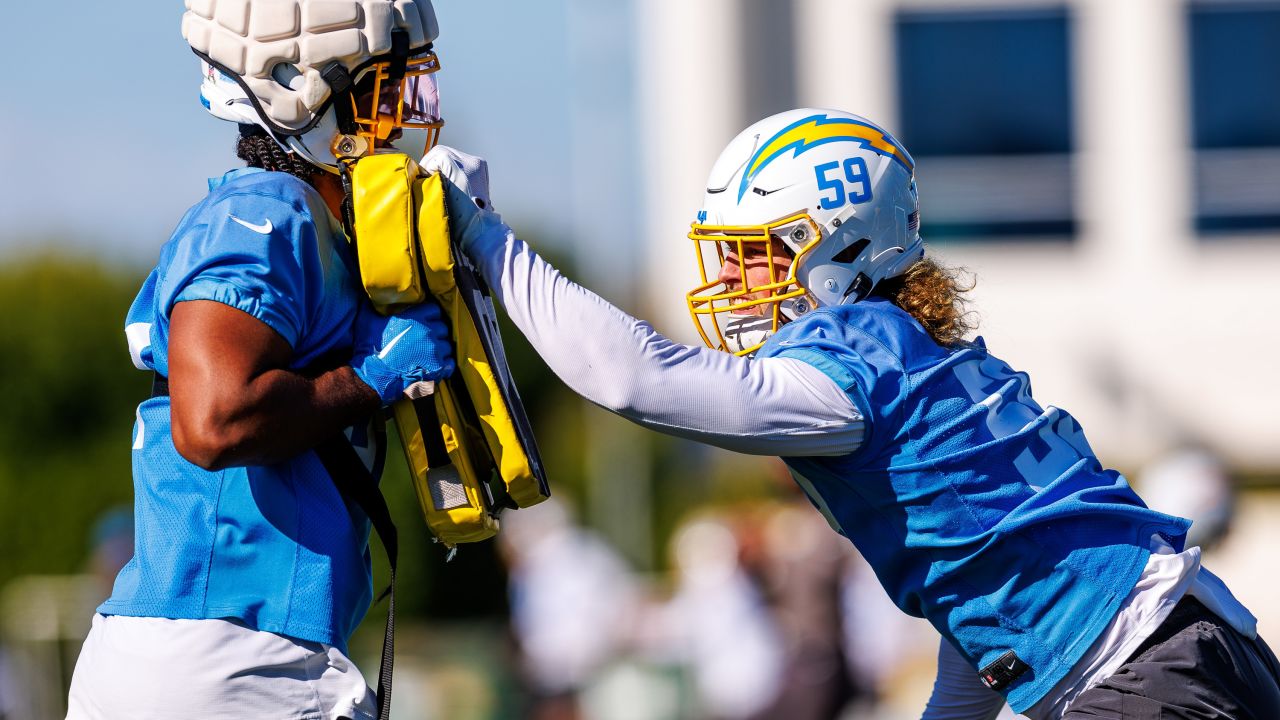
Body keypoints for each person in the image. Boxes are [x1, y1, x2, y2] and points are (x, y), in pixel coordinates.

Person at [418, 108, 1280, 719]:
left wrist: (487, 239)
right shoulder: (917, 362)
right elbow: (986, 601)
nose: (730, 285)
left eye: (754, 259)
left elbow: (635, 378)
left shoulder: (856, 367)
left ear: (837, 250)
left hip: (1152, 671)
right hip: (1181, 650)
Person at [65, 2, 455, 718]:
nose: (402, 111)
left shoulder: (297, 214)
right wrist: (367, 380)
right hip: (234, 657)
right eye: (381, 87)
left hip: (217, 650)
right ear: (296, 87)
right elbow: (212, 424)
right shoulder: (267, 211)